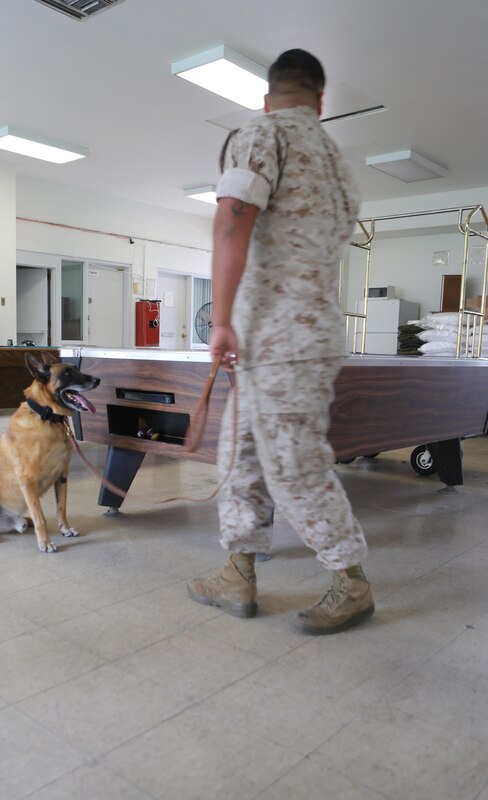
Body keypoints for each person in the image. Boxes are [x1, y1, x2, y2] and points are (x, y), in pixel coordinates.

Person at [187, 48, 373, 634]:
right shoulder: (339, 162)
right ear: (321, 102)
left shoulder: (260, 133)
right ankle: (237, 573)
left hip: (279, 335)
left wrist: (218, 320)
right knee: (239, 450)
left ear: (267, 98)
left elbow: (233, 218)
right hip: (300, 332)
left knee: (293, 461)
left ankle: (352, 582)